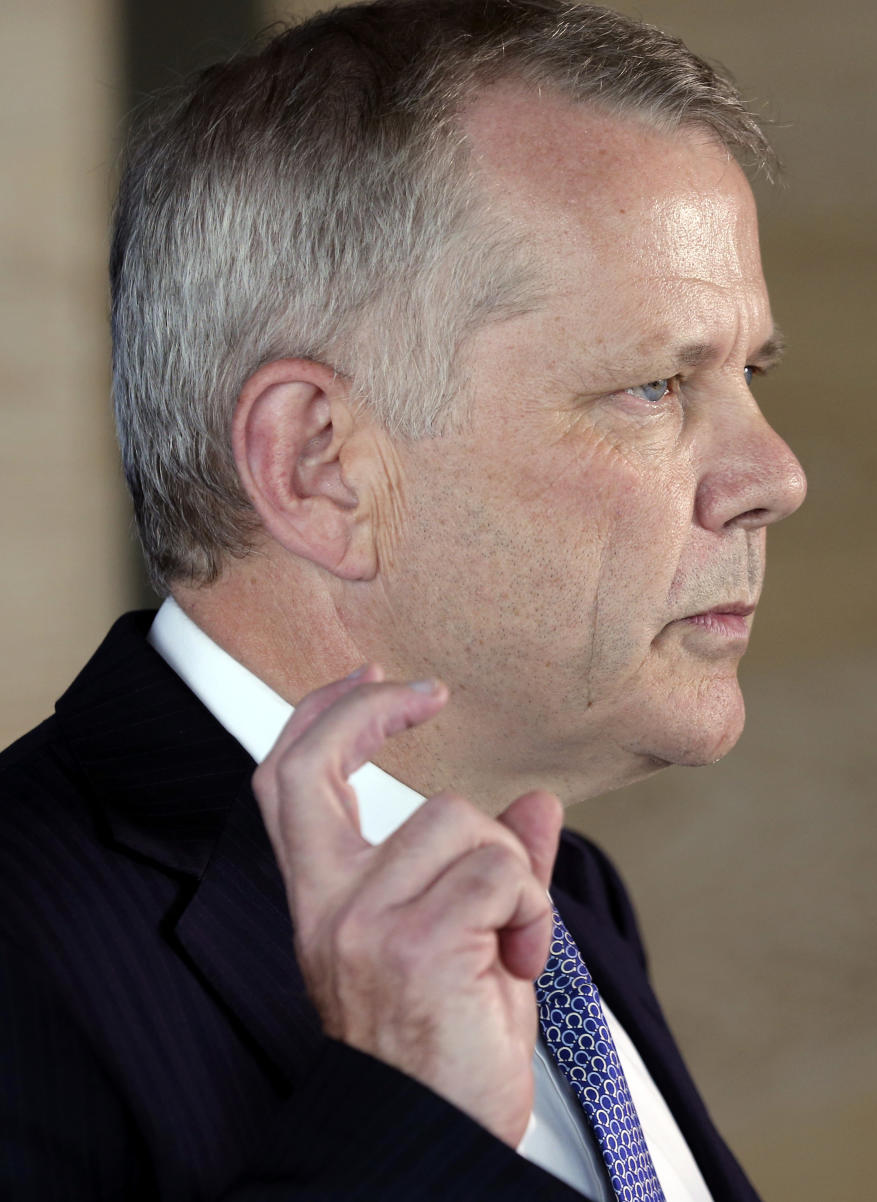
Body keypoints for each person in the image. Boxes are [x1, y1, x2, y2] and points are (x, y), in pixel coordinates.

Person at [0, 1, 807, 1199]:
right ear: (320, 463)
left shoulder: (555, 888)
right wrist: (400, 1116)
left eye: (742, 372)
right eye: (652, 386)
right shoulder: (20, 951)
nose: (776, 478)